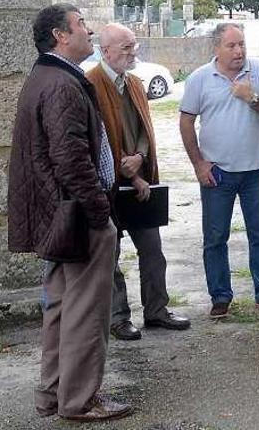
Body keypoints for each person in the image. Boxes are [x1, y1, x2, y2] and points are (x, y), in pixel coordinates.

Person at [8, 4, 132, 421]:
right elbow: (70, 159)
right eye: (81, 25)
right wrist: (100, 212)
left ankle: (54, 394)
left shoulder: (48, 76)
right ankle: (80, 400)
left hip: (60, 214)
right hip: (76, 215)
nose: (89, 30)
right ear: (61, 35)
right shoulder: (60, 83)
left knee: (62, 307)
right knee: (85, 313)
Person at [86, 23, 190, 340]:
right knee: (111, 256)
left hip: (140, 181)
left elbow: (145, 130)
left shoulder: (133, 82)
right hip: (108, 186)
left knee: (153, 251)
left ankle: (156, 311)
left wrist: (141, 160)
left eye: (134, 46)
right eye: (126, 47)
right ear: (105, 51)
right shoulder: (90, 84)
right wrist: (127, 170)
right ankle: (118, 318)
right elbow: (95, 138)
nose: (134, 52)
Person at [179, 23, 259, 318]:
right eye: (232, 46)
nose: (239, 51)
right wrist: (199, 164)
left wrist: (251, 97)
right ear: (216, 48)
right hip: (218, 173)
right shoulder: (200, 78)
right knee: (215, 238)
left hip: (255, 170)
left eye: (242, 44)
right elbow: (186, 122)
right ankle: (220, 297)